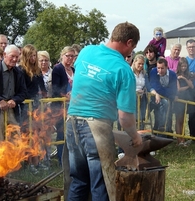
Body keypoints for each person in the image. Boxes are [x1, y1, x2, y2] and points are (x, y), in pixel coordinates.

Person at [65, 22, 142, 201]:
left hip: (72, 123)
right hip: (96, 129)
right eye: (134, 47)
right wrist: (135, 136)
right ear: (129, 42)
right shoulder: (123, 69)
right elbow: (124, 117)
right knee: (102, 185)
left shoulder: (86, 51)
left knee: (79, 181)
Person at [19, 44, 48, 174]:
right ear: (25, 56)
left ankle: (37, 161)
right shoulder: (21, 70)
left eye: (34, 55)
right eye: (31, 55)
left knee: (37, 135)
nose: (33, 57)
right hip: (26, 106)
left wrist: (45, 98)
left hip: (37, 105)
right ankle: (29, 163)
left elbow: (42, 87)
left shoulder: (37, 70)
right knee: (28, 136)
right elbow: (23, 89)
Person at [51, 46, 75, 167]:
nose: (70, 58)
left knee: (72, 133)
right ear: (62, 55)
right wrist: (64, 95)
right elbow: (55, 88)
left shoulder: (74, 69)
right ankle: (61, 159)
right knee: (61, 133)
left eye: (73, 56)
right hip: (60, 106)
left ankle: (72, 159)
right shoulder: (58, 69)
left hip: (73, 106)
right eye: (68, 56)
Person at [149, 58, 177, 133]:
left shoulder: (173, 74)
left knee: (169, 112)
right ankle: (160, 129)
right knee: (163, 105)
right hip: (155, 98)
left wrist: (166, 93)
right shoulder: (153, 72)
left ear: (167, 67)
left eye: (162, 68)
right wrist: (168, 94)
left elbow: (173, 90)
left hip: (168, 98)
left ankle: (167, 132)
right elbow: (156, 87)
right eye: (158, 68)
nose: (160, 70)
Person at [174, 57, 193, 146]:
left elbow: (192, 86)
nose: (183, 68)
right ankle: (179, 140)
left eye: (185, 66)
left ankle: (183, 138)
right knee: (179, 119)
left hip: (186, 99)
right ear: (179, 66)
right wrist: (187, 87)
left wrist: (185, 79)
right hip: (179, 99)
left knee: (183, 120)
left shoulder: (188, 75)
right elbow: (178, 89)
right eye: (182, 66)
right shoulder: (176, 75)